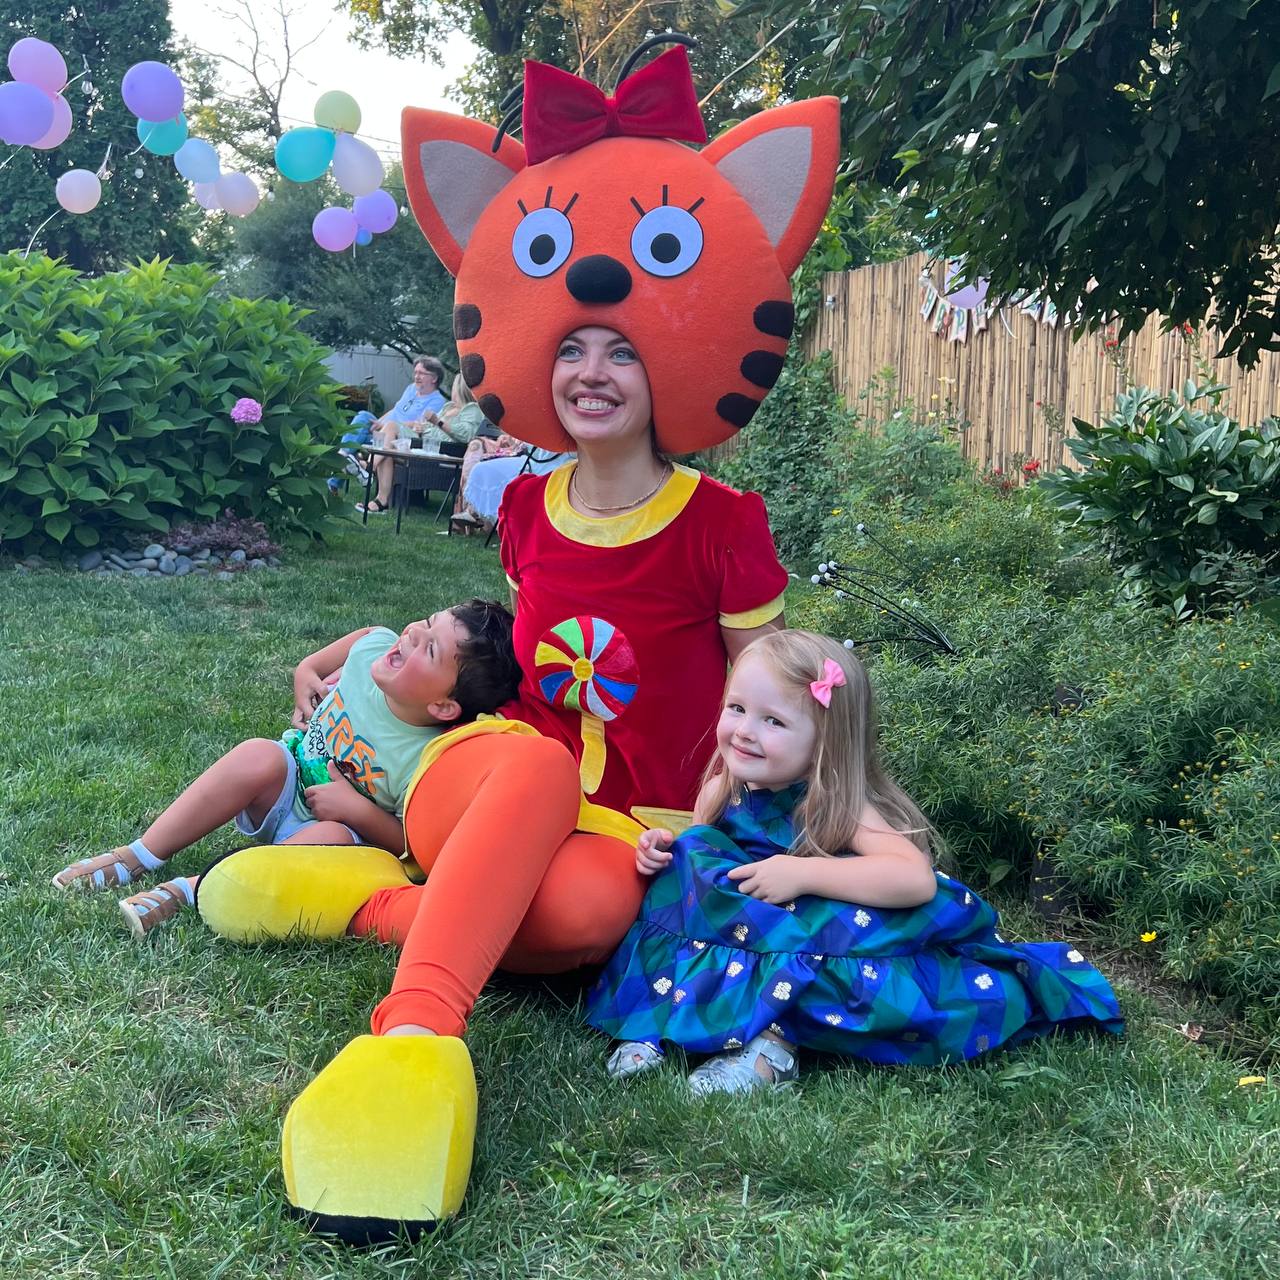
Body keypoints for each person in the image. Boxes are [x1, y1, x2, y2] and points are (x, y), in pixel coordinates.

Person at [194, 43, 843, 1241]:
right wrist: (356, 652)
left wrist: (722, 822)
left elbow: (771, 694)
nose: (594, 371)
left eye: (625, 349)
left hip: (643, 824)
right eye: (574, 348)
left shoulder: (722, 523)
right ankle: (414, 1033)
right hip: (498, 772)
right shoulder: (523, 507)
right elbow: (506, 665)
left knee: (582, 922)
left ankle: (366, 894)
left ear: (672, 360)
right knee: (536, 762)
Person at [585, 631, 1124, 1093]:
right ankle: (658, 1021)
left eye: (773, 720)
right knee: (690, 861)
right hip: (748, 921)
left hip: (823, 922)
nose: (745, 730)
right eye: (737, 708)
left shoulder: (840, 803)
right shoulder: (726, 787)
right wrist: (663, 846)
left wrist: (804, 873)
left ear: (825, 743)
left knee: (806, 933)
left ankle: (772, 1048)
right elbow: (704, 854)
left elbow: (913, 879)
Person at [52, 600, 520, 937]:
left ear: (442, 707)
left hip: (338, 838)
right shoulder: (371, 647)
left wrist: (354, 811)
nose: (412, 634)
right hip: (287, 780)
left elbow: (414, 845)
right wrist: (305, 674)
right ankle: (140, 854)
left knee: (334, 835)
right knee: (258, 751)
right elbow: (337, 653)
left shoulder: (430, 757)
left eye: (431, 649)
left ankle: (192, 888)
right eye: (425, 622)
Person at [356, 355, 450, 515]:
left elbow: (419, 425)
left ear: (434, 378)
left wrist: (389, 426)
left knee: (389, 433)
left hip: (411, 441)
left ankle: (368, 466)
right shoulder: (411, 389)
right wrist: (380, 423)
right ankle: (381, 501)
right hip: (390, 437)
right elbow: (395, 410)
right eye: (415, 372)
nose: (416, 377)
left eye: (421, 373)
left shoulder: (437, 401)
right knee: (365, 418)